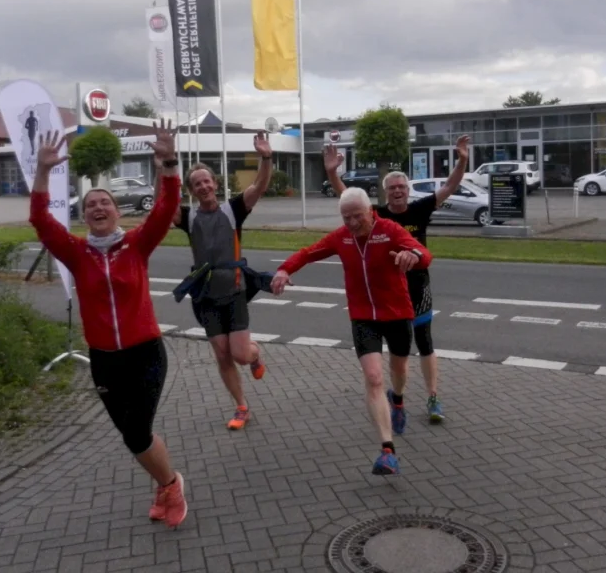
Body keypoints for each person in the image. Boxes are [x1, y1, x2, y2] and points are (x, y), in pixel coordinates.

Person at [28, 125, 188, 529]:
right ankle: (166, 483)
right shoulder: (75, 252)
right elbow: (39, 219)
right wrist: (43, 173)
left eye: (106, 203)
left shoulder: (136, 244)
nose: (99, 208)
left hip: (146, 353)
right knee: (132, 436)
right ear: (84, 217)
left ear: (117, 211)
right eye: (91, 205)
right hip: (104, 360)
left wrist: (168, 164)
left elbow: (167, 208)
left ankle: (171, 485)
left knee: (137, 431)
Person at [271, 187, 432, 475]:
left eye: (357, 216)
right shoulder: (341, 237)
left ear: (371, 211)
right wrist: (284, 269)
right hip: (362, 317)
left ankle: (398, 400)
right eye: (347, 218)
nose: (353, 223)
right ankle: (387, 450)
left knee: (399, 370)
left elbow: (422, 252)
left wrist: (414, 256)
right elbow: (308, 253)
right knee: (373, 377)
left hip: (396, 313)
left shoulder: (389, 230)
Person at [322, 135, 470, 423]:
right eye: (392, 188)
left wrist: (462, 159)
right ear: (385, 191)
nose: (398, 191)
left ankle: (432, 398)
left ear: (408, 189)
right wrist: (331, 172)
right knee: (398, 352)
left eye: (402, 186)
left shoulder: (421, 209)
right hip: (389, 295)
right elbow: (346, 195)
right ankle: (396, 395)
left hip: (418, 287)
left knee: (425, 341)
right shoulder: (376, 215)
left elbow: (450, 186)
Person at [171, 132, 274, 431]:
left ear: (215, 183)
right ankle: (241, 407)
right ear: (191, 190)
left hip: (234, 292)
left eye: (207, 181)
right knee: (222, 354)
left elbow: (260, 186)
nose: (203, 186)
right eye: (196, 183)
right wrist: (162, 169)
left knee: (240, 354)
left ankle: (256, 355)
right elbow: (163, 206)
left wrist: (265, 157)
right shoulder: (189, 218)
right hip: (206, 297)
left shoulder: (232, 210)